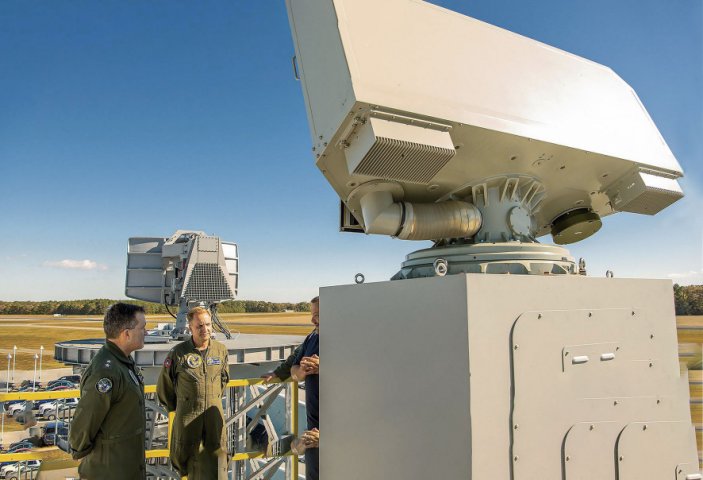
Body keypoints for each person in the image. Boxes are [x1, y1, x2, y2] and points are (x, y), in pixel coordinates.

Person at [69, 303, 148, 480]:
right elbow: (87, 418)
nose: (147, 332)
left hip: (125, 467)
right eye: (142, 328)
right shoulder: (106, 371)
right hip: (110, 470)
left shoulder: (122, 361)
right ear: (126, 333)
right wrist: (83, 451)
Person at [157, 306, 230, 479]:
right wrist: (183, 405)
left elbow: (223, 380)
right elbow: (165, 386)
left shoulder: (221, 351)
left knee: (217, 462)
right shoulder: (178, 353)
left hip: (214, 418)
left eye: (208, 324)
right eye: (199, 326)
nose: (205, 329)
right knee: (188, 463)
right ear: (190, 328)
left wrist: (211, 399)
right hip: (188, 418)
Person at [291, 296, 320, 480]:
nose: (312, 320)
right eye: (312, 314)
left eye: (317, 315)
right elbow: (294, 372)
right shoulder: (311, 338)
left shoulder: (350, 341)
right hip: (314, 432)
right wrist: (302, 371)